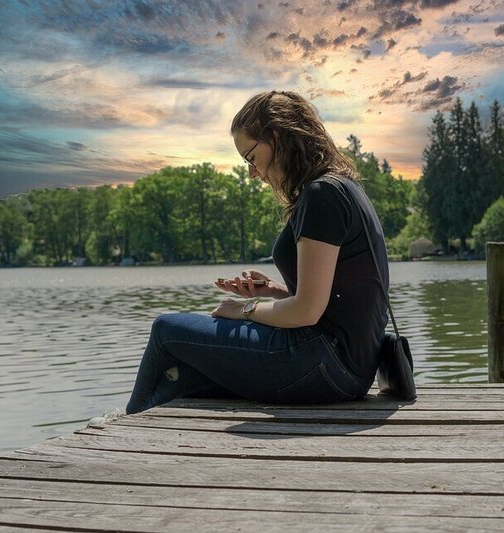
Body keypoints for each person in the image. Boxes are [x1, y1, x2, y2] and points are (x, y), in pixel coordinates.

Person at [125, 91, 389, 414]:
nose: (251, 172)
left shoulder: (322, 196)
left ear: (276, 137)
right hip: (345, 369)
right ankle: (135, 426)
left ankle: (119, 430)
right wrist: (275, 292)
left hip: (326, 363)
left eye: (251, 157)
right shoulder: (343, 188)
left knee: (166, 332)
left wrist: (245, 308)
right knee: (183, 378)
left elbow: (308, 311)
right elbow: (335, 300)